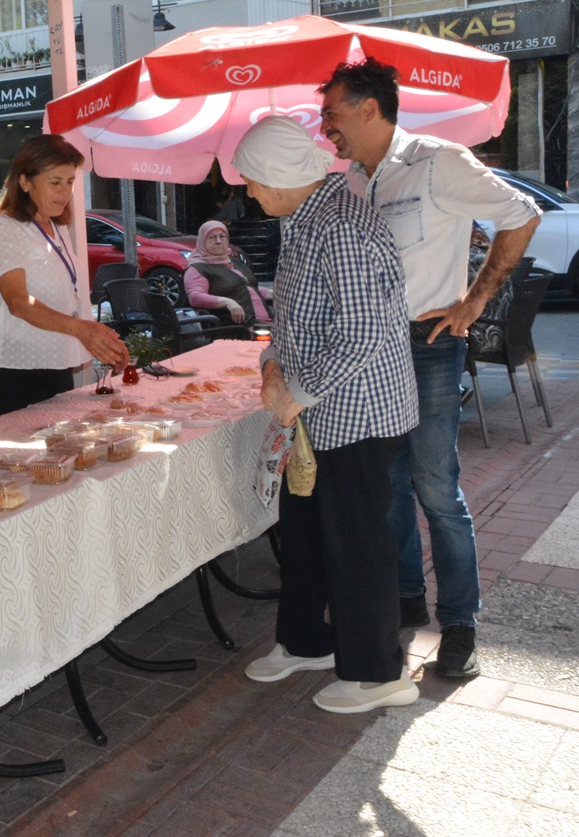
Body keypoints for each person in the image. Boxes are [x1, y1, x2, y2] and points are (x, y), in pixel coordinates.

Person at [319, 58, 540, 678]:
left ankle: (461, 623)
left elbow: (521, 214)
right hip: (370, 352)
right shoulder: (352, 181)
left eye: (331, 112)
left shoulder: (439, 160)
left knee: (437, 489)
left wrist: (474, 299)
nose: (324, 126)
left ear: (369, 107)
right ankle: (406, 598)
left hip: (427, 343)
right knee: (388, 486)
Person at [234, 115, 419, 714]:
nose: (249, 191)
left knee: (357, 542)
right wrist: (271, 365)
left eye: (255, 180)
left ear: (284, 175)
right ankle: (307, 641)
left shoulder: (341, 224)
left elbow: (363, 331)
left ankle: (377, 674)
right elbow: (297, 319)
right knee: (307, 531)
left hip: (357, 413)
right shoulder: (306, 219)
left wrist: (296, 391)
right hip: (321, 410)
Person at [0, 134, 128, 418]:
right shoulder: (3, 227)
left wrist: (103, 340)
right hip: (11, 370)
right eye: (55, 182)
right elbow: (18, 302)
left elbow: (67, 296)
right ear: (25, 182)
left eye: (69, 182)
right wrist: (82, 330)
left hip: (55, 364)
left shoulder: (57, 227)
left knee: (60, 457)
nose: (64, 192)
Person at [184, 219, 271, 327]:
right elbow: (195, 297)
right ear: (202, 241)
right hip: (237, 326)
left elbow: (246, 287)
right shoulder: (197, 267)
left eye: (222, 236)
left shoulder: (232, 260)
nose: (218, 241)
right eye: (212, 237)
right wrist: (228, 302)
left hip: (266, 323)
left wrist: (271, 293)